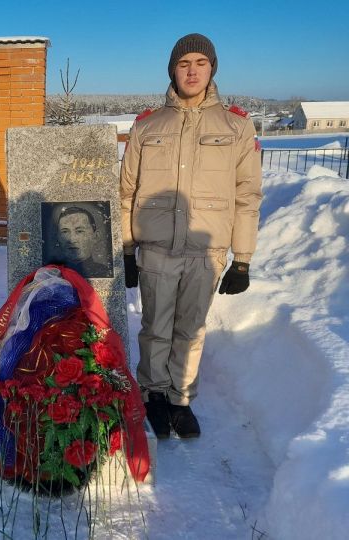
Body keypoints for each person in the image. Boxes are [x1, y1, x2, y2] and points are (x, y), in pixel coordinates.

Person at [120, 33, 262, 438]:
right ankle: (154, 395)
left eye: (201, 62)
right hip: (157, 249)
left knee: (190, 329)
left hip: (206, 249)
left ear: (212, 68)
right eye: (184, 64)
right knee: (155, 327)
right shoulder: (147, 125)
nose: (193, 70)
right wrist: (127, 249)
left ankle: (181, 400)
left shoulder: (235, 125)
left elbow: (247, 194)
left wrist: (243, 258)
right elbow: (127, 190)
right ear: (173, 70)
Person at [55, 205, 110, 278]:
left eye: (80, 231)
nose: (72, 240)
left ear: (95, 236)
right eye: (65, 232)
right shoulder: (51, 273)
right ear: (57, 237)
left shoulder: (105, 272)